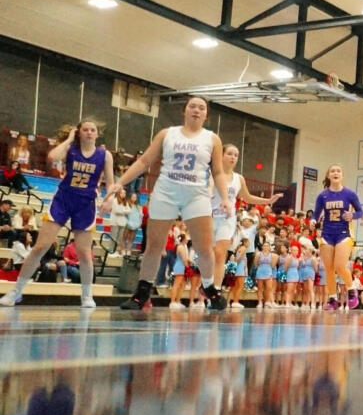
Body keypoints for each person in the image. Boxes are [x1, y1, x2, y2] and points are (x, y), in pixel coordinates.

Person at [106, 96, 230, 311]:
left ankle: (209, 287)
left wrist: (226, 199)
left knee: (204, 248)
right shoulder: (167, 134)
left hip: (196, 195)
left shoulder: (212, 139)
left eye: (202, 108)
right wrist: (120, 182)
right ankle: (142, 293)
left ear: (206, 115)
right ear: (184, 111)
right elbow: (145, 161)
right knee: (154, 246)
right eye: (192, 106)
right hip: (166, 192)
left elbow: (217, 172)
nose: (196, 110)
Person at [0, 119, 116, 309]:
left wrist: (110, 198)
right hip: (63, 199)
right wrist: (70, 138)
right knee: (40, 247)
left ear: (97, 134)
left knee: (85, 254)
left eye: (92, 130)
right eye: (84, 129)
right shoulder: (71, 149)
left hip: (85, 203)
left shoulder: (105, 155)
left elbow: (110, 182)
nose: (88, 132)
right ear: (79, 133)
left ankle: (86, 295)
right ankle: (16, 291)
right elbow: (53, 156)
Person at [207, 144, 275, 305]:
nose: (233, 157)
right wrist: (209, 193)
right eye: (230, 153)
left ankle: (215, 292)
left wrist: (268, 200)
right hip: (209, 216)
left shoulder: (239, 178)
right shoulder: (212, 173)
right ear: (221, 155)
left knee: (220, 253)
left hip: (227, 219)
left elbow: (248, 197)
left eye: (236, 155)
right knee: (207, 255)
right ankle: (205, 288)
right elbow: (209, 187)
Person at [313, 164, 363, 311]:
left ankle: (351, 289)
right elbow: (316, 214)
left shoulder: (350, 194)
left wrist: (352, 215)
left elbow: (361, 212)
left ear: (342, 175)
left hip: (344, 233)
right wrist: (312, 220)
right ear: (328, 176)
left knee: (340, 266)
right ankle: (332, 298)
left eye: (338, 171)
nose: (335, 173)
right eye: (332, 171)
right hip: (327, 234)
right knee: (328, 268)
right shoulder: (322, 195)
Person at [253, 241, 275, 310]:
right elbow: (255, 263)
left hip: (268, 271)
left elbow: (272, 265)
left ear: (269, 247)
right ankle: (260, 302)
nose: (265, 247)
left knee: (269, 288)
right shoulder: (258, 254)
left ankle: (267, 302)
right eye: (264, 245)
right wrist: (259, 268)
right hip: (260, 271)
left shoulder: (272, 255)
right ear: (262, 247)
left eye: (267, 246)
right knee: (260, 288)